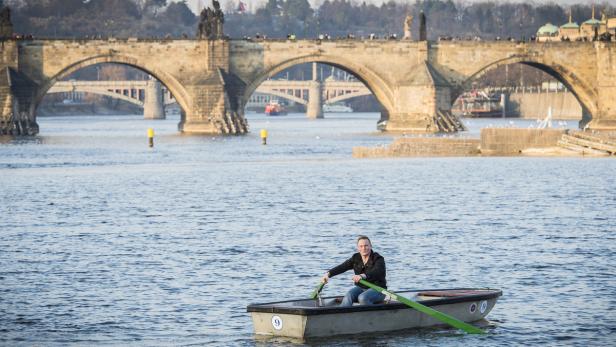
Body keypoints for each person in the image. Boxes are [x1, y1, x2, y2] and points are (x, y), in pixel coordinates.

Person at [321, 235, 386, 306]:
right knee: (349, 295)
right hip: (362, 288)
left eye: (366, 245)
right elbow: (342, 267)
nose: (364, 248)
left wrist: (362, 276)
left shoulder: (378, 259)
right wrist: (328, 274)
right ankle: (342, 314)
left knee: (362, 298)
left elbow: (377, 272)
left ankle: (372, 316)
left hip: (378, 290)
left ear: (371, 246)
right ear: (358, 248)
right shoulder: (356, 258)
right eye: (361, 246)